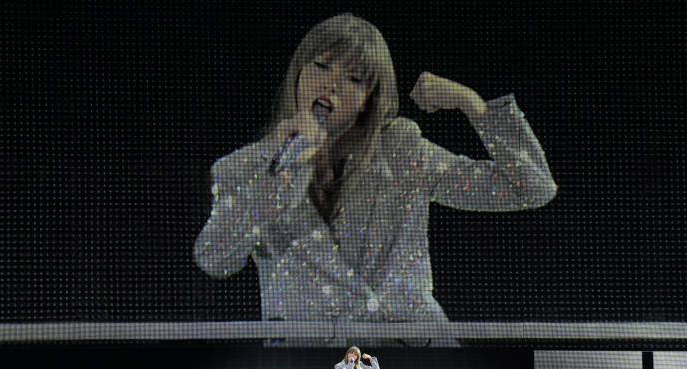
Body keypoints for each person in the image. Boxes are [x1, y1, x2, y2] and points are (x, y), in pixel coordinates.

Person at [193, 13, 557, 325]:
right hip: (309, 367)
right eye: (320, 65)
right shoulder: (243, 168)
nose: (331, 83)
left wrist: (473, 107)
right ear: (297, 74)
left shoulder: (402, 153)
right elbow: (216, 257)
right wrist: (282, 171)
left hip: (413, 357)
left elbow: (531, 188)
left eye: (353, 78)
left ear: (370, 98)